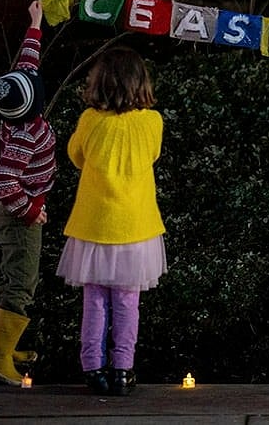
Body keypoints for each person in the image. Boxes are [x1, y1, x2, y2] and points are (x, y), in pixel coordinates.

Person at [56, 46, 167, 396]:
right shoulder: (152, 122)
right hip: (136, 229)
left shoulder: (90, 121)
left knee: (95, 300)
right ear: (140, 84)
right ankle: (122, 370)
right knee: (127, 301)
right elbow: (153, 154)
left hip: (93, 228)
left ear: (99, 83)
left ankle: (93, 368)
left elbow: (75, 155)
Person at [0, 0, 57, 386]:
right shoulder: (25, 134)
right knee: (22, 282)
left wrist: (35, 23)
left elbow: (29, 63)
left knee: (12, 278)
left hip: (15, 212)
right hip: (18, 216)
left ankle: (1, 346)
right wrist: (28, 211)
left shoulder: (20, 104)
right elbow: (5, 178)